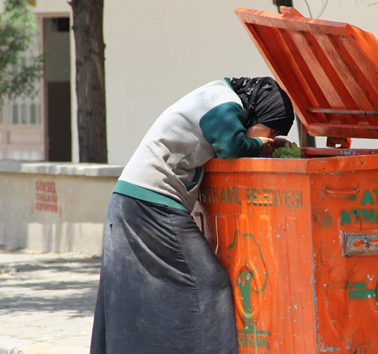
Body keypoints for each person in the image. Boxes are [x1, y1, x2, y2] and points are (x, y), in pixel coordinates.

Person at [89, 77, 294, 354]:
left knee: (137, 296)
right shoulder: (224, 103)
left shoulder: (216, 95)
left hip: (130, 201)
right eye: (271, 129)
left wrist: (261, 141)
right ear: (261, 113)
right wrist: (261, 146)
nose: (269, 137)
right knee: (210, 284)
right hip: (153, 204)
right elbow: (231, 147)